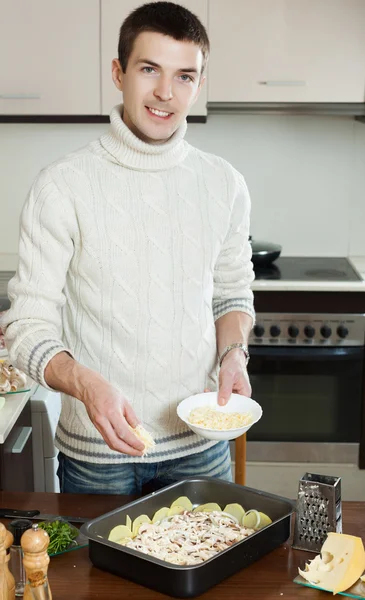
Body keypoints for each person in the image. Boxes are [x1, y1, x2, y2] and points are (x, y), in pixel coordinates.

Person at [1, 1, 255, 495]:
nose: (165, 92)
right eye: (149, 69)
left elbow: (231, 296)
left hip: (202, 445)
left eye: (185, 76)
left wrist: (234, 353)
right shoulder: (61, 186)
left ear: (199, 85)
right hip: (98, 455)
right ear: (118, 73)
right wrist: (86, 385)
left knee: (217, 571)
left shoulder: (224, 183)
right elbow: (28, 327)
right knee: (96, 577)